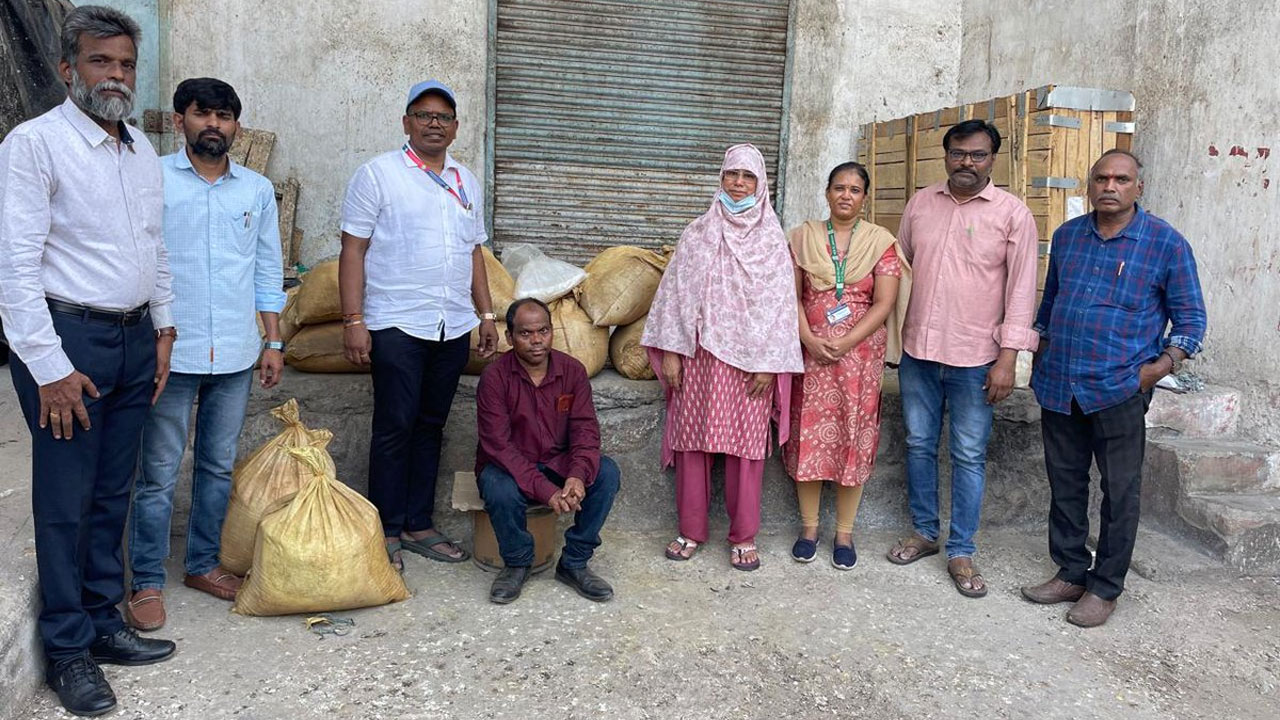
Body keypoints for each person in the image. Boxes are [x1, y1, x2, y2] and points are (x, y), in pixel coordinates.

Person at [0, 6, 177, 715]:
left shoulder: (139, 151)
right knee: (66, 501)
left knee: (112, 491)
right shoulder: (34, 144)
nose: (116, 76)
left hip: (134, 341)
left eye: (126, 64)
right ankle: (68, 649)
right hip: (67, 341)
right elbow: (14, 267)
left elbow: (155, 251)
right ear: (68, 68)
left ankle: (104, 624)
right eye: (101, 62)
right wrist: (45, 364)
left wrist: (163, 333)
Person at [125, 78, 287, 631]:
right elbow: (141, 258)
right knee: (159, 473)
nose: (213, 124)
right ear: (179, 121)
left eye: (224, 116)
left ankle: (201, 564)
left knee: (218, 467)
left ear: (236, 126)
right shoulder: (154, 180)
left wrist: (273, 341)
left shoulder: (256, 191)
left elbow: (268, 271)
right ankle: (146, 579)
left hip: (238, 355)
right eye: (202, 114)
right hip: (171, 352)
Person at [1021, 149, 1206, 627]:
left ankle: (1105, 587)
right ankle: (1070, 572)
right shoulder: (1067, 237)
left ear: (1137, 188)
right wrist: (1039, 351)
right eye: (1101, 178)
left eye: (1121, 179)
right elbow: (1052, 303)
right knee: (1066, 484)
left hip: (1120, 387)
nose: (1110, 186)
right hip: (1061, 382)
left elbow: (1191, 321)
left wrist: (1157, 369)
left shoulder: (1165, 244)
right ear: (1089, 185)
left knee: (1120, 491)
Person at [338, 79, 499, 572]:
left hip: (450, 325)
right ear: (406, 122)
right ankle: (385, 529)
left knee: (431, 426)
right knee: (394, 426)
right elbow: (353, 250)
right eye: (424, 115)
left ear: (455, 128)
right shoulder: (378, 175)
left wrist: (486, 314)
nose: (434, 123)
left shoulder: (465, 180)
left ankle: (419, 523)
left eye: (444, 117)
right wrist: (353, 320)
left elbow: (474, 253)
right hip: (396, 324)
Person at [886, 119, 1039, 598]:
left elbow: (1020, 292)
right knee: (917, 443)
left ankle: (961, 549)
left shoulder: (1013, 215)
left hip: (976, 357)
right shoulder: (920, 205)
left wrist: (1007, 359)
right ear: (945, 155)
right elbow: (901, 272)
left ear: (993, 159)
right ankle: (925, 532)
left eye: (977, 155)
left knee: (969, 454)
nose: (966, 163)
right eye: (957, 153)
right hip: (919, 352)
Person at [642, 143, 803, 571]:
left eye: (747, 176)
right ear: (721, 178)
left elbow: (782, 307)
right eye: (732, 174)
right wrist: (673, 351)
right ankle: (691, 529)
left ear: (761, 184)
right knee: (692, 443)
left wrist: (770, 363)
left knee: (746, 450)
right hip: (698, 358)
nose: (738, 183)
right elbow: (675, 296)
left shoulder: (771, 240)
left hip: (751, 364)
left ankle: (744, 535)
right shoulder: (696, 233)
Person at [784, 162, 911, 570]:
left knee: (852, 435)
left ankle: (844, 531)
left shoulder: (881, 242)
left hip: (858, 358)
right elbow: (791, 297)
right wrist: (809, 339)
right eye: (839, 187)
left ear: (865, 197)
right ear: (826, 193)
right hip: (810, 353)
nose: (846, 195)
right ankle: (808, 528)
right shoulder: (802, 238)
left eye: (855, 190)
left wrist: (845, 341)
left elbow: (885, 302)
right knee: (809, 436)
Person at [474, 298, 620, 604]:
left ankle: (574, 562)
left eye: (543, 330)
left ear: (552, 331)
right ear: (509, 337)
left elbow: (585, 430)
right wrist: (546, 491)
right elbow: (499, 446)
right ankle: (517, 563)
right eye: (526, 333)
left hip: (558, 462)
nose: (537, 340)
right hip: (510, 467)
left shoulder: (572, 371)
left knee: (606, 473)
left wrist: (577, 476)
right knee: (496, 486)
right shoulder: (494, 378)